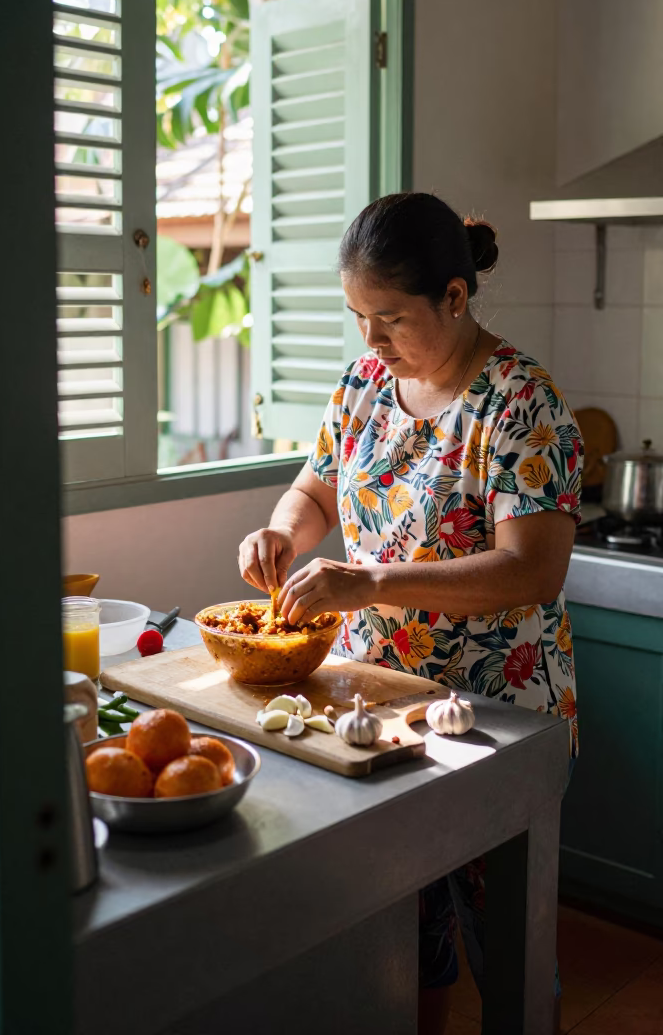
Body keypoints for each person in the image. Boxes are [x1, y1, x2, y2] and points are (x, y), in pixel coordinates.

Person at [238, 192, 580, 1035]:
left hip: (496, 718)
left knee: (505, 945)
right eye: (358, 317)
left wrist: (371, 584)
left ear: (455, 299)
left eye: (389, 318)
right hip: (378, 704)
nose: (371, 341)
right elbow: (314, 489)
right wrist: (280, 534)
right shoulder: (364, 384)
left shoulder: (520, 402)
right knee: (402, 930)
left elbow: (534, 568)